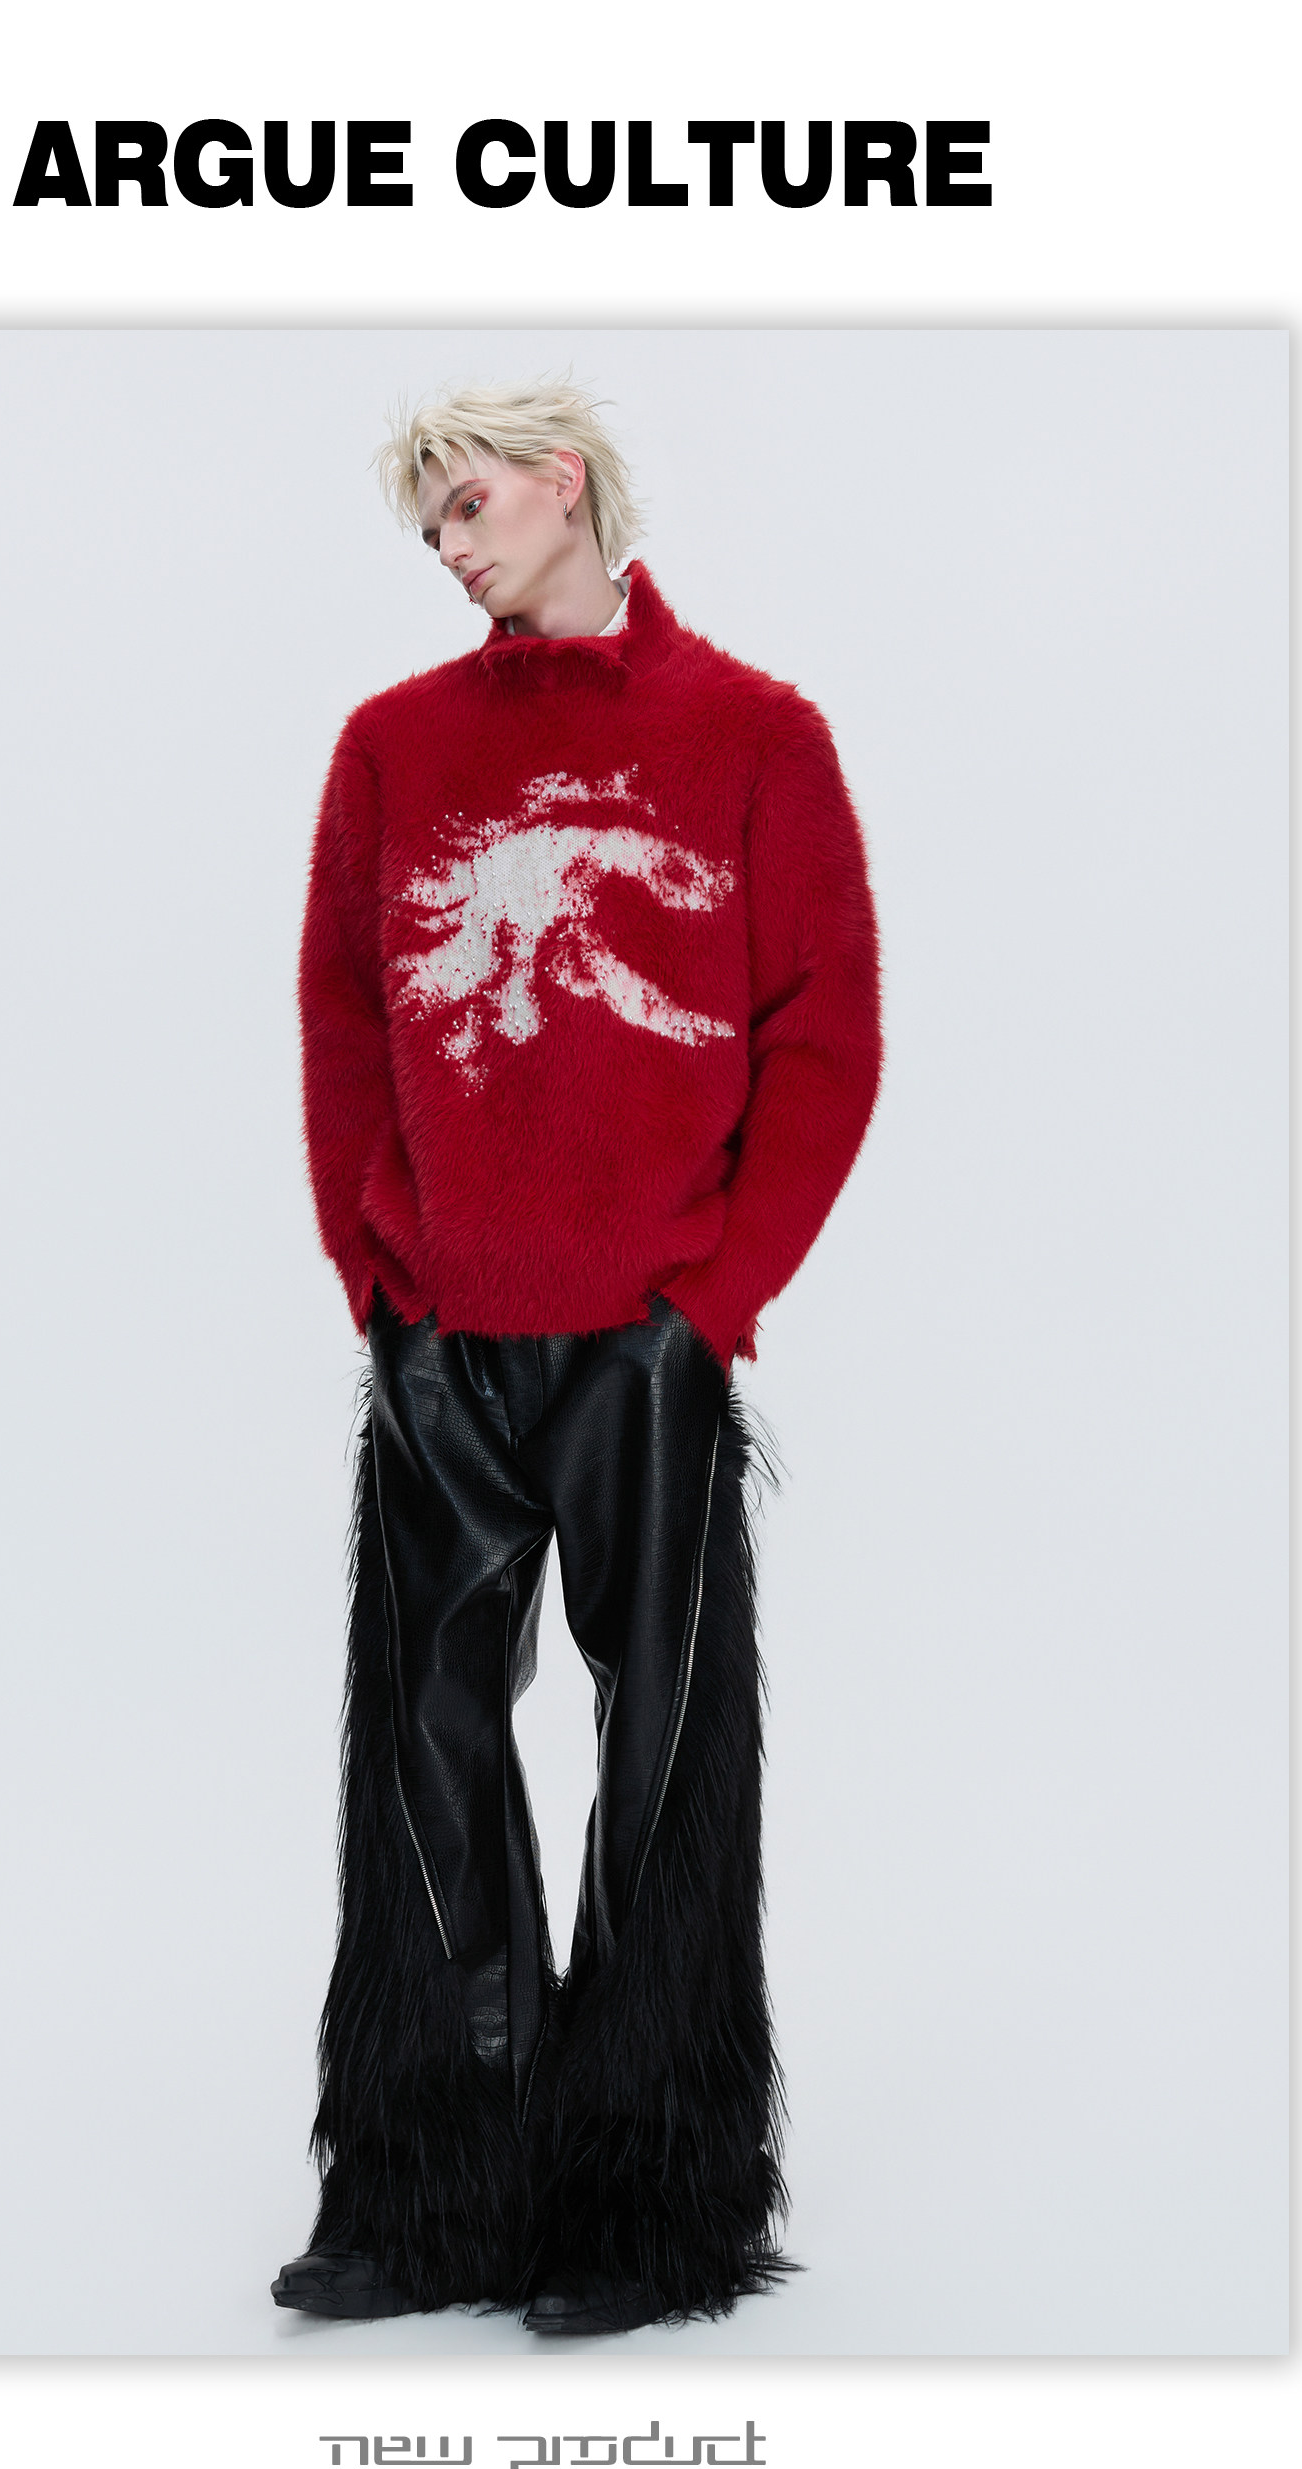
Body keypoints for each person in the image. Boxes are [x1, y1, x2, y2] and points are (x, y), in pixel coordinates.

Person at [273, 379, 883, 2336]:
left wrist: (711, 1308)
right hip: (444, 1341)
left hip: (646, 1346)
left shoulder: (757, 736)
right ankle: (432, 2198)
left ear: (565, 482)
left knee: (664, 1771)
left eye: (467, 504)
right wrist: (383, 1290)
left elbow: (823, 1042)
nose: (449, 547)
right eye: (427, 528)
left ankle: (646, 2208)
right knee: (424, 1769)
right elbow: (343, 1021)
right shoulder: (390, 747)